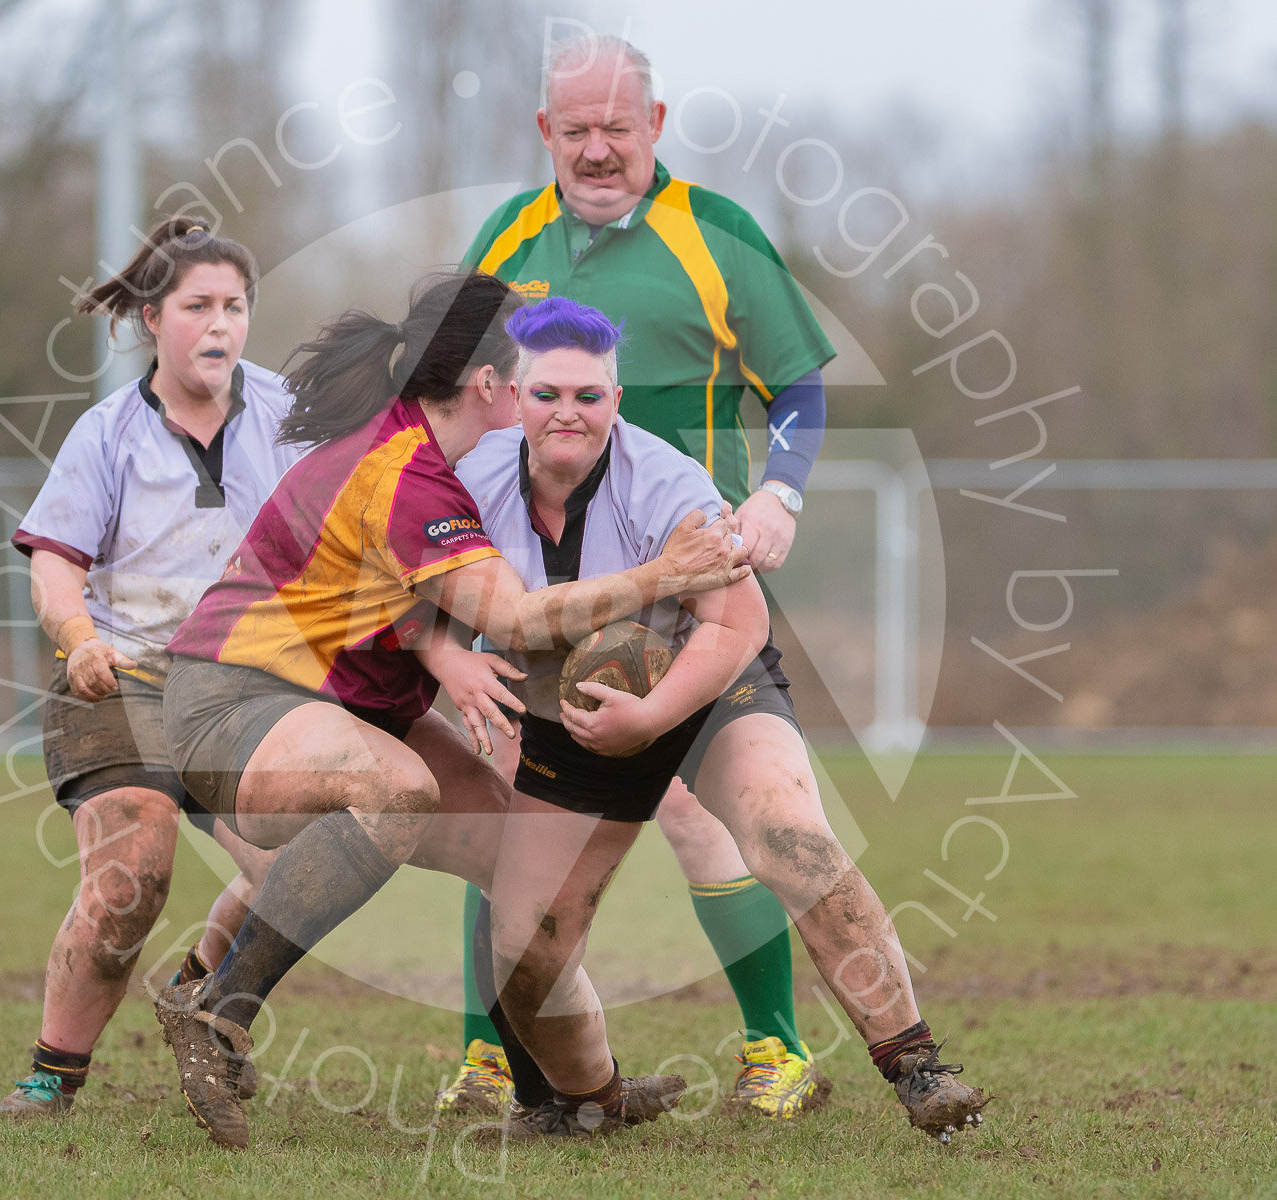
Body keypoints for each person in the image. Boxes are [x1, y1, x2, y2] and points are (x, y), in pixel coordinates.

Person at [151, 271, 750, 1150]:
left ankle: (578, 1094)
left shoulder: (426, 458)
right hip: (234, 702)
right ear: (487, 385)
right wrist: (665, 577)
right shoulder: (407, 473)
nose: (540, 390)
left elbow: (414, 602)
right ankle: (217, 1015)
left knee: (516, 870)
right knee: (397, 792)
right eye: (526, 374)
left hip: (334, 709)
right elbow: (511, 616)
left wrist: (442, 661)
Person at [447, 295, 986, 1142]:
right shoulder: (467, 477)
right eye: (548, 393)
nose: (568, 413)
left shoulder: (665, 481)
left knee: (790, 835)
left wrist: (654, 714)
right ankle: (588, 1102)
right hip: (575, 716)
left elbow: (741, 622)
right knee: (525, 943)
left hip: (707, 682)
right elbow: (408, 591)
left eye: (590, 395)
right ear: (514, 398)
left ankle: (920, 1068)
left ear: (616, 403)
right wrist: (450, 658)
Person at [439, 31, 835, 1121]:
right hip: (535, 587)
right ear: (546, 135)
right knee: (506, 806)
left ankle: (777, 1047)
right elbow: (451, 396)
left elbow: (799, 390)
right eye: (578, 130)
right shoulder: (506, 238)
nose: (599, 148)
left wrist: (779, 494)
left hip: (685, 584)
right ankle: (491, 1052)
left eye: (619, 127)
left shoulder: (717, 235)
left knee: (706, 815)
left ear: (654, 125)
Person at [0, 217, 303, 1116]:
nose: (220, 324)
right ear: (148, 319)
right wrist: (76, 636)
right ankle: (53, 1073)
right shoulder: (108, 434)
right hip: (121, 678)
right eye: (197, 305)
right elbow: (56, 562)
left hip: (244, 688)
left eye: (235, 306)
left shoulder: (293, 416)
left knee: (313, 861)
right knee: (136, 868)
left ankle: (201, 1001)